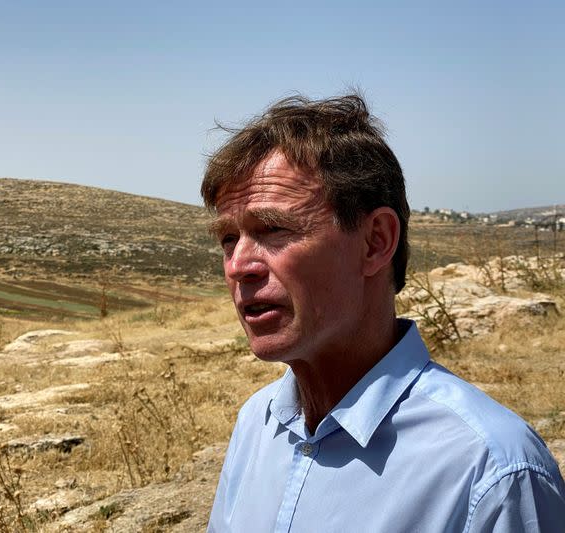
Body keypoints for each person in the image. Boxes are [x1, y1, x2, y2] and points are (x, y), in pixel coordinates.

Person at [203, 94, 565, 532]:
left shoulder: (492, 471)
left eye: (274, 229)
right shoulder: (256, 425)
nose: (239, 265)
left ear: (376, 242)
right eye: (227, 238)